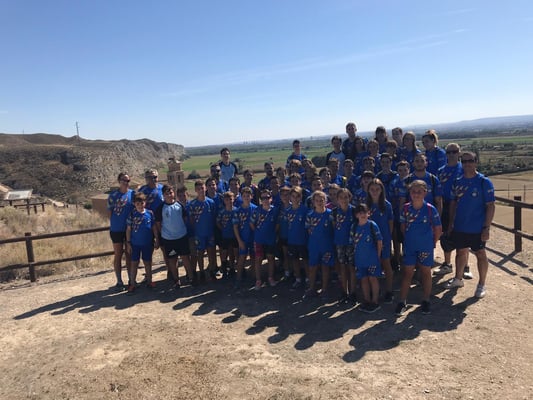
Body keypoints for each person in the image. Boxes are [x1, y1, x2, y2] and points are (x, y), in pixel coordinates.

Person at [444, 151, 495, 298]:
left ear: (476, 162)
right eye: (464, 161)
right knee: (460, 252)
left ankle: (481, 284)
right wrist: (451, 223)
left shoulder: (484, 182)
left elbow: (490, 206)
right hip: (460, 226)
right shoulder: (457, 181)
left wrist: (486, 228)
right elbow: (453, 203)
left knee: (480, 254)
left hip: (477, 228)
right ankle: (458, 279)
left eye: (470, 161)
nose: (467, 164)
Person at [396, 180, 442, 316]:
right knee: (407, 273)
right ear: (409, 193)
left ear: (425, 193)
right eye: (413, 191)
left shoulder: (430, 209)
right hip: (410, 246)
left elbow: (438, 228)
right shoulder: (405, 209)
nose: (416, 194)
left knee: (426, 272)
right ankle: (402, 301)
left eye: (419, 192)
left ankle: (426, 300)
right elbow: (403, 227)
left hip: (425, 246)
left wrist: (432, 242)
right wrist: (409, 239)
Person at [433, 143, 466, 276]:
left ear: (459, 153)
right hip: (445, 204)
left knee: (462, 235)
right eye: (449, 152)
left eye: (454, 151)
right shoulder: (441, 171)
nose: (451, 154)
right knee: (446, 234)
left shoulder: (464, 168)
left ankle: (465, 266)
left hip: (461, 205)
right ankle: (447, 264)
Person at [155, 185, 194, 289]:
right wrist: (164, 234)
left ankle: (191, 278)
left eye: (171, 193)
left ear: (174, 193)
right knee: (172, 260)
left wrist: (181, 229)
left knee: (186, 258)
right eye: (167, 193)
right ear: (163, 195)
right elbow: (158, 223)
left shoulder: (179, 205)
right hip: (169, 239)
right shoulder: (160, 208)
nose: (169, 195)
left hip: (182, 237)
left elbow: (184, 218)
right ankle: (176, 280)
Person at [350, 203, 383, 313]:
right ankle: (367, 300)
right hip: (360, 259)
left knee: (373, 278)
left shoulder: (372, 225)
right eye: (360, 212)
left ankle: (375, 301)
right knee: (363, 279)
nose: (362, 214)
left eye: (364, 212)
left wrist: (378, 256)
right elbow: (352, 243)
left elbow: (379, 241)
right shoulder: (354, 227)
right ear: (356, 215)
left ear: (369, 213)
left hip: (372, 258)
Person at [366, 179, 394, 303]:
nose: (375, 192)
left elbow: (390, 223)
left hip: (384, 239)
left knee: (386, 263)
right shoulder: (366, 205)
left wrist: (388, 238)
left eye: (377, 189)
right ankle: (374, 290)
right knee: (372, 265)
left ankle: (389, 290)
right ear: (368, 190)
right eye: (372, 189)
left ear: (382, 190)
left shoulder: (386, 205)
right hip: (370, 240)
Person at [125, 192, 159, 294]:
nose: (140, 205)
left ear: (145, 202)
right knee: (134, 263)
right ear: (134, 204)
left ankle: (149, 281)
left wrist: (157, 239)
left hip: (147, 243)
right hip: (135, 244)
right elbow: (128, 229)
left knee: (148, 262)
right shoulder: (132, 214)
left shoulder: (150, 213)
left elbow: (154, 227)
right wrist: (128, 243)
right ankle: (132, 284)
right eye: (137, 203)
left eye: (142, 203)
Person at [304, 190, 334, 299]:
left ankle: (324, 289)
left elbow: (333, 228)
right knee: (313, 267)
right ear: (313, 202)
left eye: (322, 200)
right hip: (314, 245)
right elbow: (309, 230)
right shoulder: (310, 215)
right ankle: (311, 288)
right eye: (317, 200)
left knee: (325, 267)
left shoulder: (330, 214)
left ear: (325, 201)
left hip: (327, 245)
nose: (319, 202)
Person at [107, 172, 134, 290]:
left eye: (128, 180)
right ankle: (119, 281)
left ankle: (131, 279)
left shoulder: (133, 194)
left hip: (129, 229)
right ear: (119, 181)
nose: (126, 182)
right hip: (116, 230)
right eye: (123, 180)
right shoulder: (113, 196)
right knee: (118, 254)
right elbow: (110, 213)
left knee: (129, 254)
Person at [187, 180, 217, 282]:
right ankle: (202, 272)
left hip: (210, 233)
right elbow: (191, 220)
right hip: (199, 234)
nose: (201, 190)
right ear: (195, 190)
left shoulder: (211, 202)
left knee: (211, 253)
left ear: (205, 188)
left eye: (202, 188)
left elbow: (213, 216)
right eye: (198, 189)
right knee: (200, 253)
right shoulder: (192, 204)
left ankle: (212, 271)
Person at [251, 189, 280, 290]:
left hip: (270, 239)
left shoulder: (275, 210)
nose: (265, 200)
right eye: (263, 198)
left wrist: (273, 233)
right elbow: (251, 223)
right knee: (258, 259)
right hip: (259, 239)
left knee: (270, 258)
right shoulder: (257, 210)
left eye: (267, 197)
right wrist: (258, 231)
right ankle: (258, 280)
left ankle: (270, 278)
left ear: (271, 199)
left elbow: (277, 224)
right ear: (260, 199)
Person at [332, 188, 357, 303]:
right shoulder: (334, 212)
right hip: (340, 243)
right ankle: (344, 292)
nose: (344, 200)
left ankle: (353, 292)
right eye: (341, 197)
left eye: (346, 197)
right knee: (342, 267)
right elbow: (334, 227)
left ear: (349, 198)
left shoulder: (354, 211)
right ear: (337, 199)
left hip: (351, 243)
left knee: (352, 267)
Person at [232, 187, 257, 290]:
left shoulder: (256, 209)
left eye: (248, 196)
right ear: (241, 197)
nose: (246, 198)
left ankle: (254, 278)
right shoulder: (237, 211)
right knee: (241, 258)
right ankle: (238, 279)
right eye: (244, 196)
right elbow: (235, 227)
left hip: (254, 238)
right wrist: (239, 241)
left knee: (254, 258)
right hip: (243, 239)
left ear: (252, 196)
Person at [286, 187, 309, 290]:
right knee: (294, 260)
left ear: (301, 197)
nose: (295, 198)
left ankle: (308, 279)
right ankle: (298, 278)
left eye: (297, 196)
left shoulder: (305, 210)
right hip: (292, 240)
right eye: (293, 196)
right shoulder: (288, 211)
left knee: (305, 260)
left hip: (303, 240)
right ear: (290, 197)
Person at [217, 191, 238, 278]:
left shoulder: (236, 210)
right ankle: (224, 269)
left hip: (234, 236)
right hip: (225, 236)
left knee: (234, 252)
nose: (229, 201)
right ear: (224, 201)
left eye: (230, 199)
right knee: (224, 253)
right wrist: (223, 229)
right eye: (226, 199)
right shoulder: (222, 212)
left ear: (233, 199)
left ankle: (233, 268)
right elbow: (218, 222)